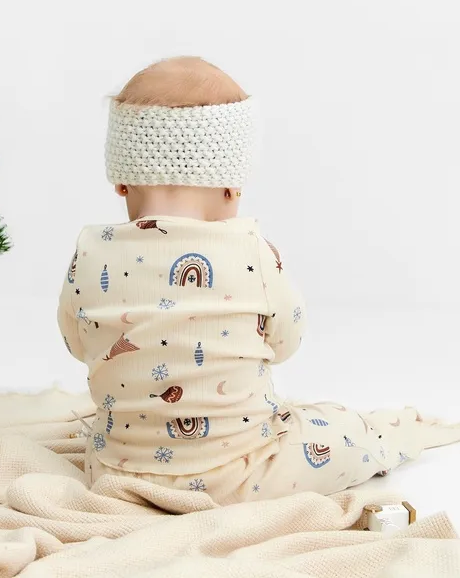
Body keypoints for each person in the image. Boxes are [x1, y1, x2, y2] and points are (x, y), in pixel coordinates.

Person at [57, 56, 460, 503]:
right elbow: (286, 341)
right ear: (232, 185)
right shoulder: (251, 252)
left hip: (115, 471)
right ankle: (396, 437)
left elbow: (78, 343)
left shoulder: (90, 252)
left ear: (121, 183)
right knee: (339, 431)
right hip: (241, 475)